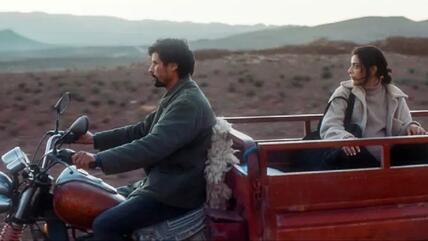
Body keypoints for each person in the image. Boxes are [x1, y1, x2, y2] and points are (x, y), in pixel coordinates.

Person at [71, 38, 216, 241]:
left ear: (173, 66)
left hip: (175, 192)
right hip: (162, 183)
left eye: (156, 63)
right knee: (94, 203)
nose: (150, 69)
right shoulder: (177, 95)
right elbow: (139, 131)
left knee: (105, 225)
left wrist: (98, 160)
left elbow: (152, 145)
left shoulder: (188, 103)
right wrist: (93, 140)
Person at [319, 45, 427, 169]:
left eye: (356, 66)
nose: (349, 70)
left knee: (423, 147)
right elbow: (330, 126)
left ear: (373, 69)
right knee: (347, 153)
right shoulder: (344, 93)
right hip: (358, 155)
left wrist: (412, 127)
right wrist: (345, 138)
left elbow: (405, 124)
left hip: (390, 156)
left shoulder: (393, 94)